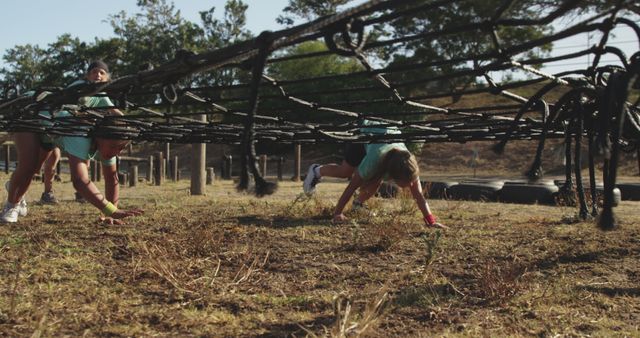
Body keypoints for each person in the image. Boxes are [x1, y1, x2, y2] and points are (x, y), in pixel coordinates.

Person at [1, 60, 143, 224]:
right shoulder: (81, 131)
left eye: (122, 148)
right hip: (31, 113)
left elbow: (111, 179)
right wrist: (113, 210)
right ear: (100, 138)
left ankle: (15, 186)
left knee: (33, 170)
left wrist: (110, 215)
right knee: (28, 165)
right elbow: (80, 181)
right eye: (114, 146)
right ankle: (11, 205)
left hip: (54, 131)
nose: (116, 152)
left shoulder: (111, 140)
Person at [304, 120, 445, 229]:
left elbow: (419, 196)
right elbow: (351, 187)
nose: (411, 185)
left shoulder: (408, 165)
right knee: (345, 171)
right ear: (393, 174)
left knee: (376, 181)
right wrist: (337, 214)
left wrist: (431, 222)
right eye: (408, 183)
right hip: (365, 134)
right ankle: (316, 170)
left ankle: (358, 204)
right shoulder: (374, 162)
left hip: (385, 133)